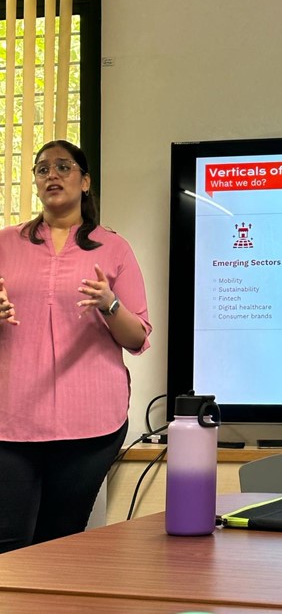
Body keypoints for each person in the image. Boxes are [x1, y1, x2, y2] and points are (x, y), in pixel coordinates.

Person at [0, 140, 151, 553]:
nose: (52, 175)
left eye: (63, 167)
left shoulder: (114, 248)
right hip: (10, 421)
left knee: (59, 541)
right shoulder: (4, 243)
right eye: (42, 168)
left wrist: (110, 304)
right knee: (9, 540)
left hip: (90, 423)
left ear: (85, 182)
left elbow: (137, 336)